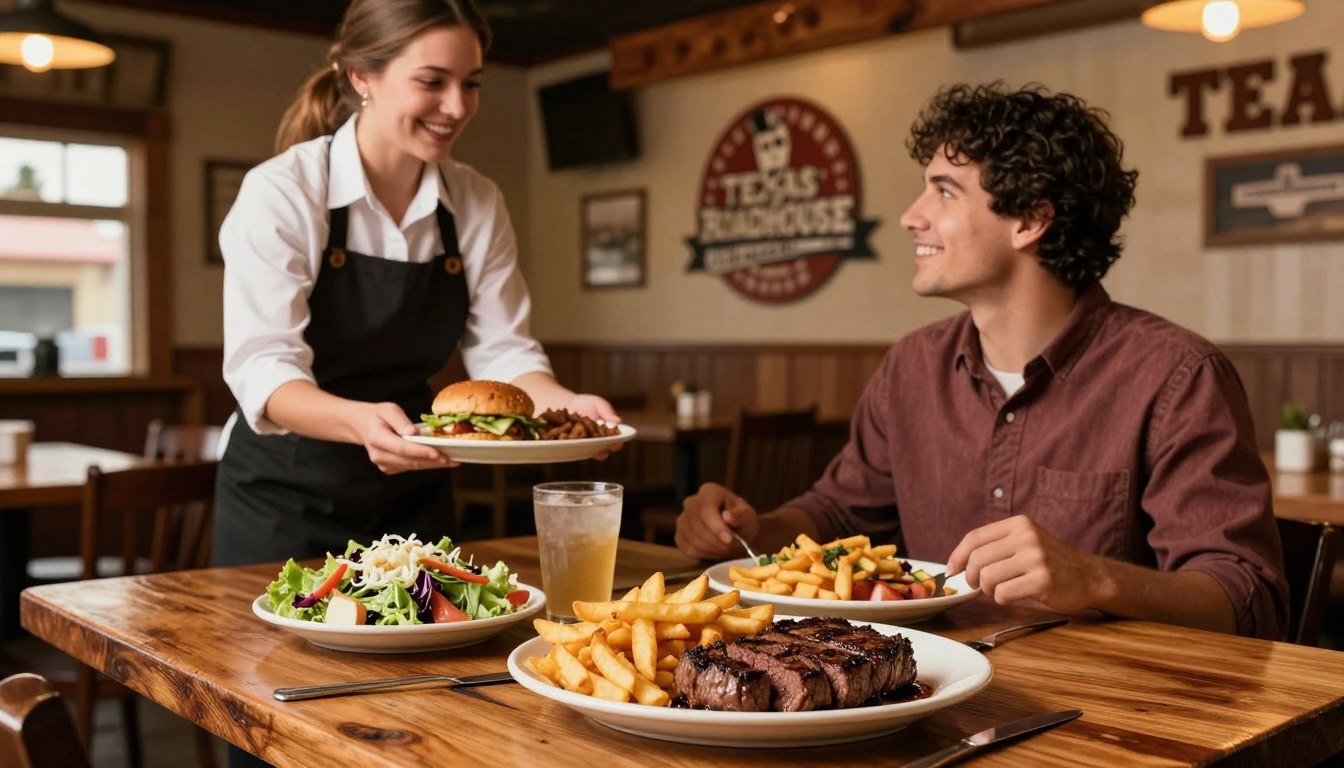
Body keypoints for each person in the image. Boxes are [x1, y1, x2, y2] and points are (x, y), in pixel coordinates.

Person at [676, 83, 1288, 640]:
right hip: (923, 687)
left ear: (1029, 220)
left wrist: (1096, 580)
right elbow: (840, 512)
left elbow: (1247, 596)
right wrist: (755, 531)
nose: (910, 216)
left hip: (1112, 718)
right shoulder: (911, 367)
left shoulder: (1176, 376)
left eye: (944, 190)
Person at [216, 0, 616, 573]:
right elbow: (264, 370)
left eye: (471, 84)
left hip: (414, 483)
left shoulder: (477, 202)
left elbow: (505, 351)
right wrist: (361, 424)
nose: (456, 107)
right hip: (283, 494)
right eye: (432, 82)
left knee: (427, 663)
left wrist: (565, 406)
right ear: (362, 77)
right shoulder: (283, 192)